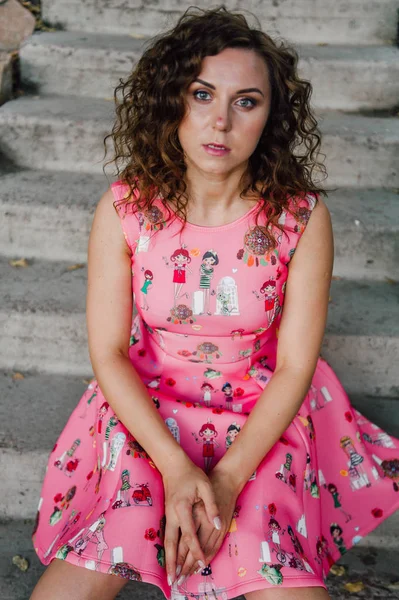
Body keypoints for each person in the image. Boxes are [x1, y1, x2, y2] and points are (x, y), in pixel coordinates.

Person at [30, 6, 399, 600]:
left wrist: (226, 479)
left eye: (246, 101)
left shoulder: (300, 218)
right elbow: (107, 351)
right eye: (202, 94)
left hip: (260, 410)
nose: (220, 122)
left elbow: (295, 367)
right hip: (148, 408)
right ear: (172, 101)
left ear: (270, 116)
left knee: (258, 546)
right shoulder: (125, 210)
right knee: (118, 530)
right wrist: (176, 470)